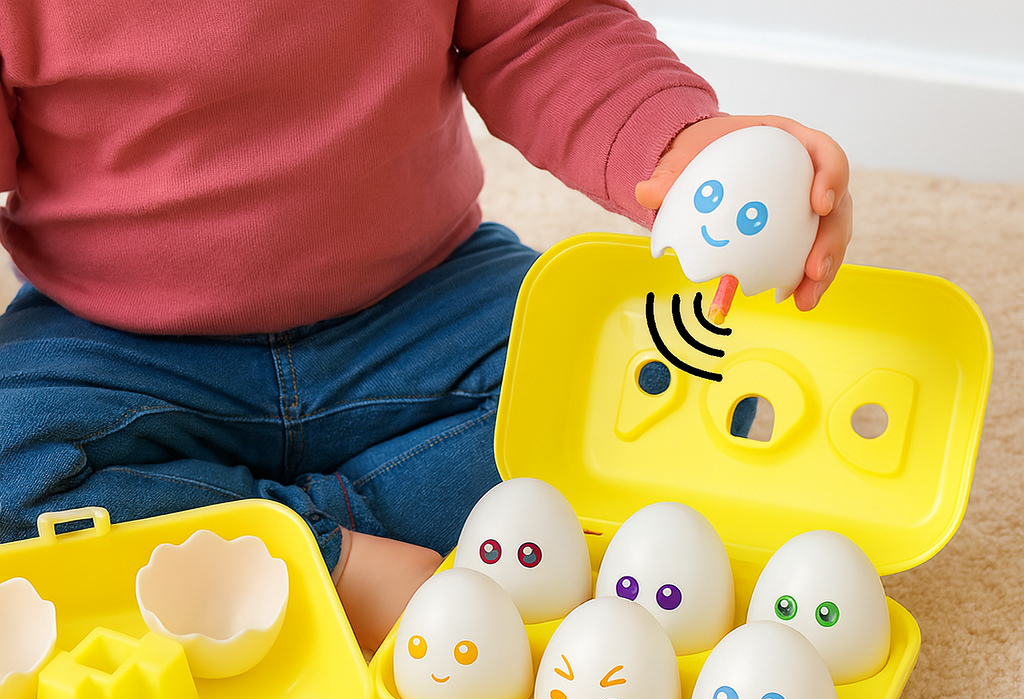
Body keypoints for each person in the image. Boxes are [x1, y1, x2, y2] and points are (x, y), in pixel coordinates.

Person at [0, 1, 851, 652]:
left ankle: (256, 531)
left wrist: (684, 150)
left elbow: (541, 31)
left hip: (424, 300)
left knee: (681, 388)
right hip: (114, 342)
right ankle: (333, 552)